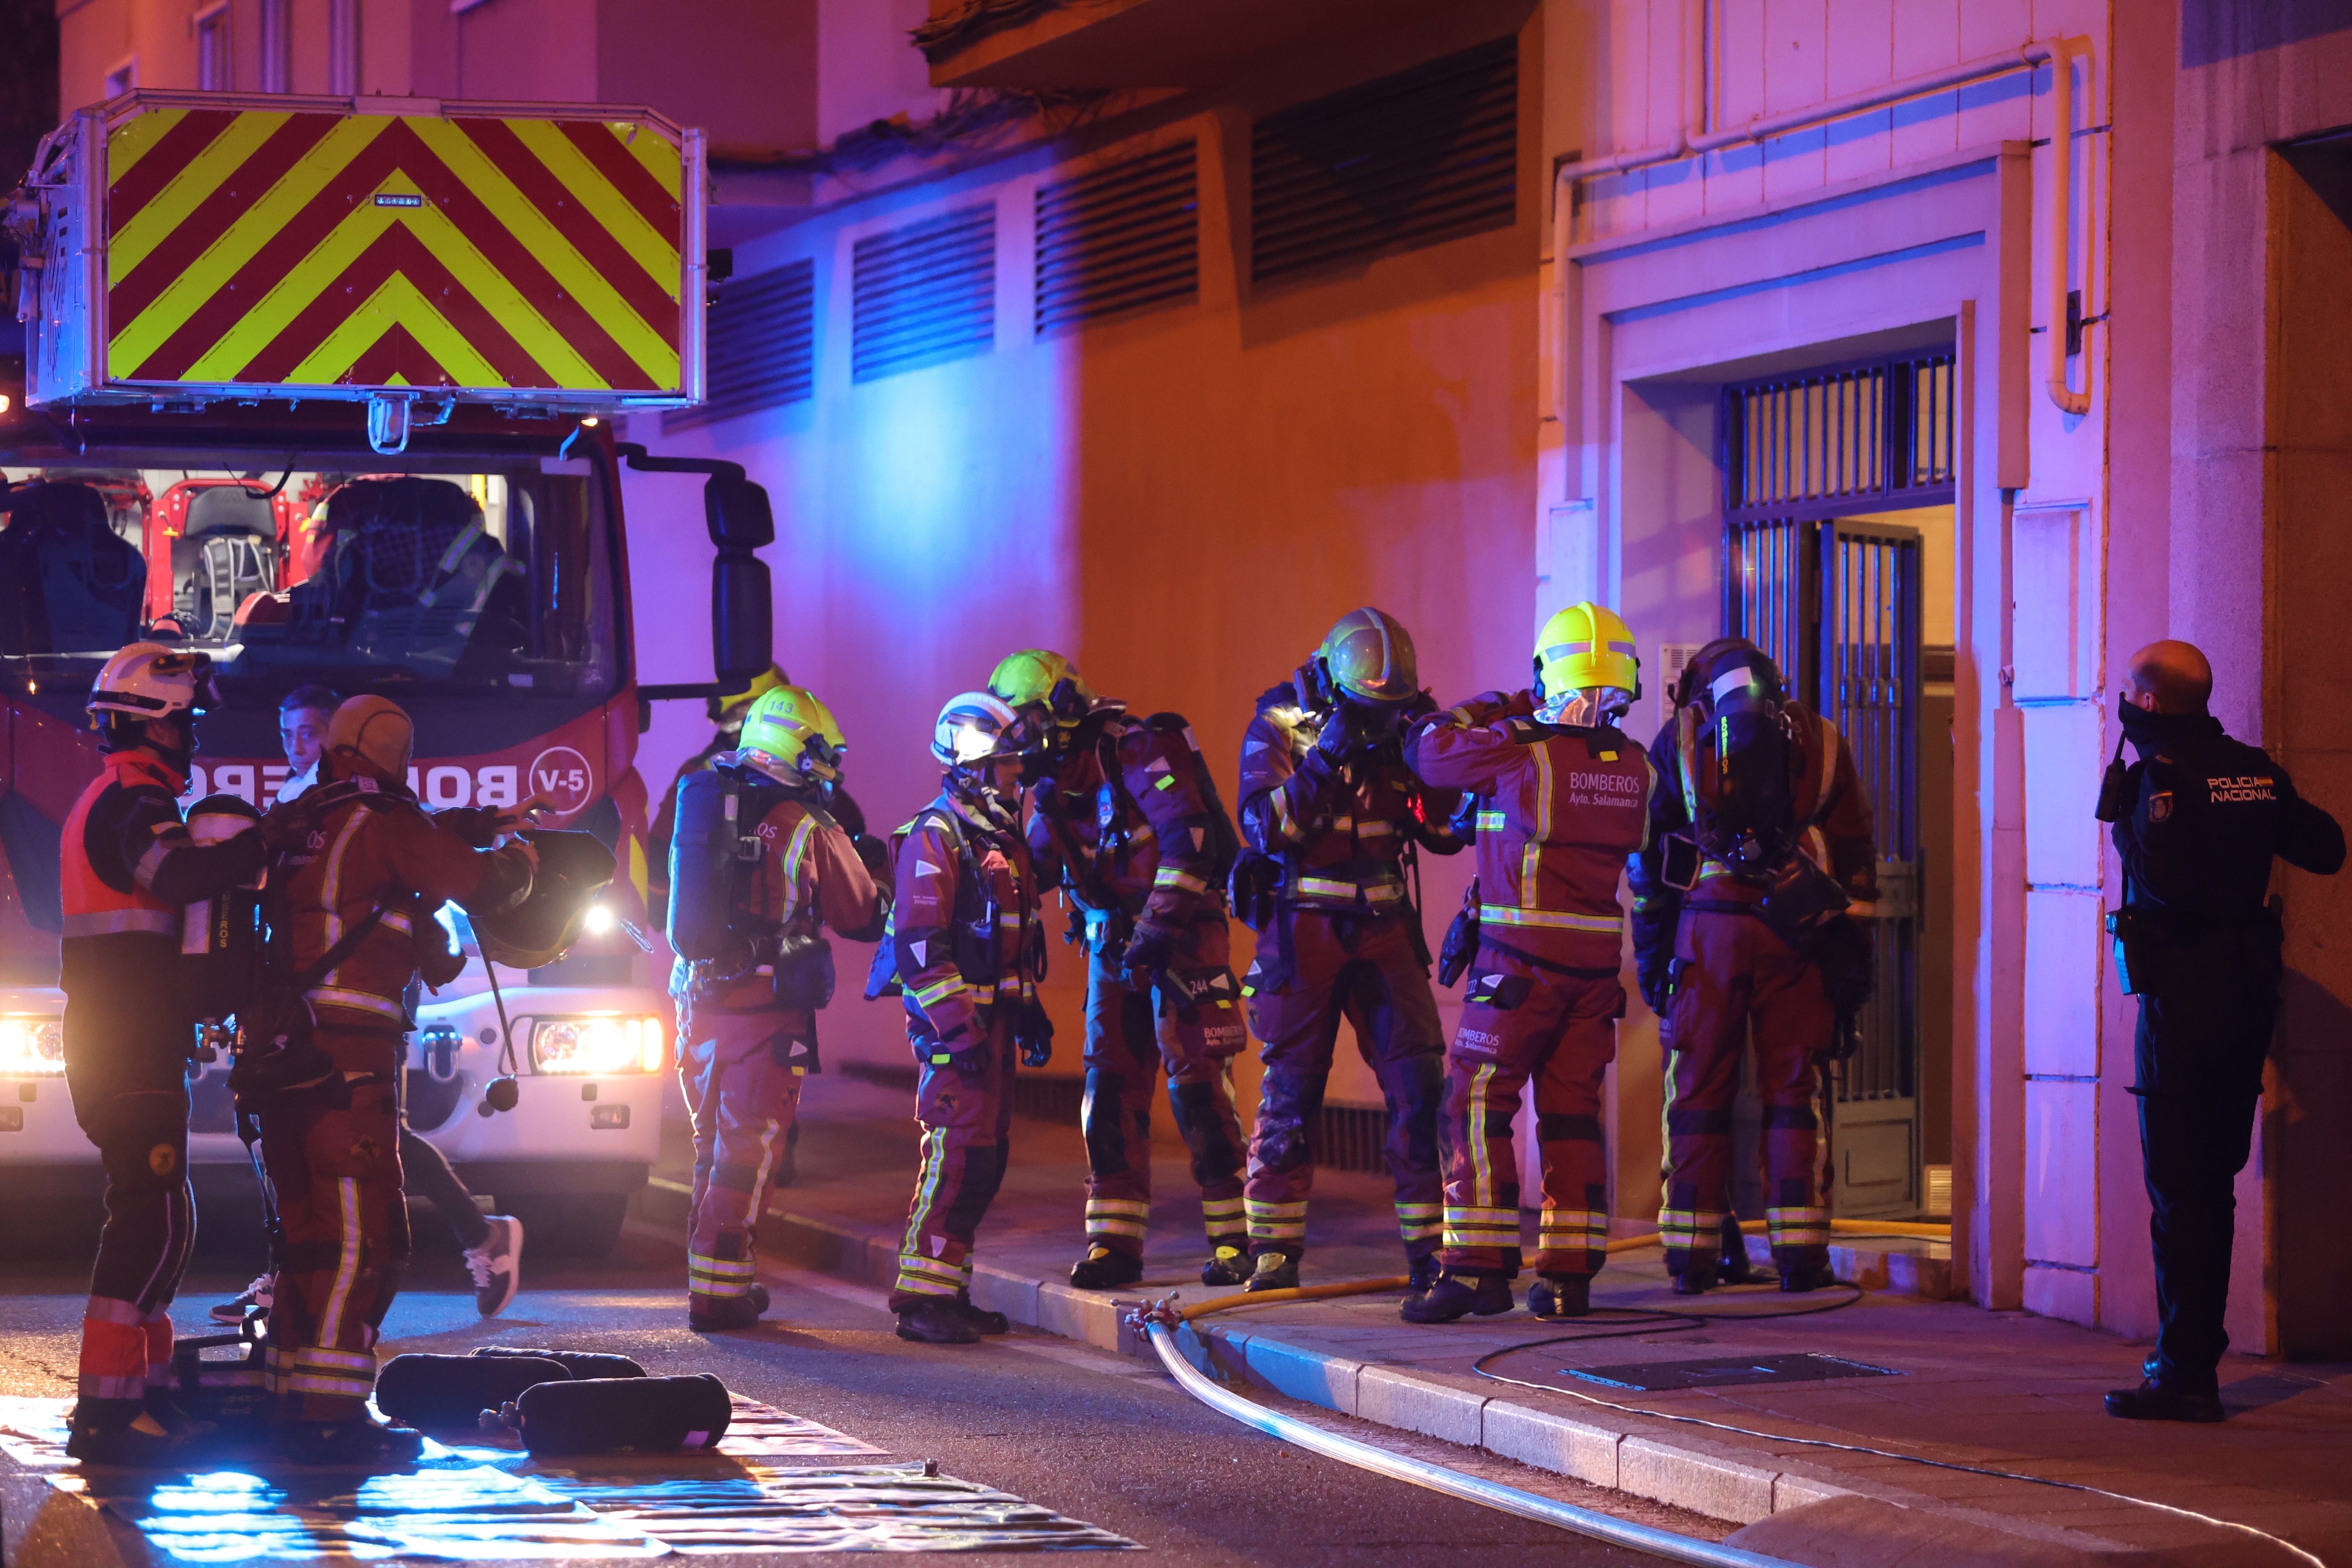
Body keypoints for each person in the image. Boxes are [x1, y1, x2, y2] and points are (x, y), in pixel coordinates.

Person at [251, 694, 535, 1460]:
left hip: (280, 1062)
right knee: (358, 1239)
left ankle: (288, 1397)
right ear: (393, 751)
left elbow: (415, 932)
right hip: (349, 1063)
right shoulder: (382, 819)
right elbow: (472, 882)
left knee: (303, 1238)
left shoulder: (300, 819)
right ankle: (331, 1418)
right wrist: (519, 863)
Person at [2099, 640, 2342, 1423]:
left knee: (2180, 1191)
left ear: (2150, 704)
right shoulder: (2255, 769)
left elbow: (2159, 882)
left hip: (2181, 1005)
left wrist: (2122, 820)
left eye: (2130, 696)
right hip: (2247, 1000)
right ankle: (2189, 1357)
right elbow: (2326, 847)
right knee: (2216, 1181)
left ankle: (2185, 1370)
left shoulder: (2157, 779)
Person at [1399, 604, 1663, 1323]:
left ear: (1552, 671)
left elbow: (1426, 748)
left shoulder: (1519, 748)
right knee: (1572, 1115)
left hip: (1517, 971)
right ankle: (1567, 1278)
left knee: (1475, 1103)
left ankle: (1478, 1269)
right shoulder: (1635, 766)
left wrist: (1501, 702)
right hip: (1594, 976)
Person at [59, 644, 284, 1465]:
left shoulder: (125, 795)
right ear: (151, 725)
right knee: (148, 1218)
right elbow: (180, 874)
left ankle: (145, 1399)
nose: (190, 737)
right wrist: (271, 839)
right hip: (123, 1043)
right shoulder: (131, 801)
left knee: (167, 1216)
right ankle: (107, 1416)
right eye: (184, 721)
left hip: (133, 1038)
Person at [987, 650, 1249, 1292]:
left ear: (1066, 712)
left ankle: (1237, 1239)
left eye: (1026, 723)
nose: (1020, 743)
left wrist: (1157, 931)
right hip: (1113, 946)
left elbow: (1190, 844)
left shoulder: (1141, 751)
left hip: (1185, 936)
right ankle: (1114, 1243)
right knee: (1108, 1090)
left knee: (1199, 1089)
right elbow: (1035, 870)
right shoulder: (1050, 792)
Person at [1628, 638, 1877, 1295]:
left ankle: (1691, 1257)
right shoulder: (1821, 741)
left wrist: (1654, 958)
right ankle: (1802, 1257)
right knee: (1795, 1092)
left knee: (1696, 1093)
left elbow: (1649, 861)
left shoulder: (1680, 740)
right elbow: (1856, 852)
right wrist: (1851, 963)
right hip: (1794, 930)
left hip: (1706, 935)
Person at [1232, 608, 1465, 1293]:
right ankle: (1273, 1249)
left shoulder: (1404, 726)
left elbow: (1445, 829)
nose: (1378, 721)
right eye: (1369, 709)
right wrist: (1328, 755)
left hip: (1386, 928)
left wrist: (1433, 750)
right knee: (1292, 1089)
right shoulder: (1279, 726)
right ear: (1335, 687)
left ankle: (1430, 1251)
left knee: (1419, 1085)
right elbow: (1265, 827)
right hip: (1304, 928)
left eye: (1389, 710)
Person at [668, 684, 888, 1331]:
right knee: (749, 1149)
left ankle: (712, 1276)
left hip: (696, 1005)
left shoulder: (704, 798)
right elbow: (860, 915)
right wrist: (877, 871)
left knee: (709, 1146)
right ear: (802, 749)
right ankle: (719, 1293)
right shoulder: (806, 825)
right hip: (765, 1014)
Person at [879, 692, 1048, 1345]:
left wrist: (1026, 1007)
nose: (1017, 776)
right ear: (974, 764)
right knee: (954, 1158)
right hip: (959, 1036)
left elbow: (1011, 937)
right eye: (1007, 764)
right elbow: (921, 950)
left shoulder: (996, 838)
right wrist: (958, 1028)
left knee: (985, 1160)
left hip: (992, 1028)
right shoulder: (937, 835)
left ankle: (951, 1287)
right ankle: (920, 1300)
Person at [274, 684, 337, 802]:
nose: (296, 749)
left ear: (335, 734)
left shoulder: (348, 798)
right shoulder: (289, 791)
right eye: (288, 735)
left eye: (308, 734)